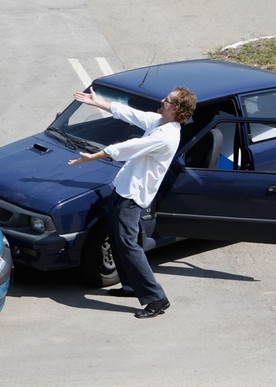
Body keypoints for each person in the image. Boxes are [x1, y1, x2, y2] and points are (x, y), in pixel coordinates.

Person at [68, 86, 196, 319]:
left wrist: (93, 156)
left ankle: (156, 298)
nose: (161, 100)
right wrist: (96, 102)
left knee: (128, 245)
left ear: (176, 108)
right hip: (123, 189)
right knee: (120, 239)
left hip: (132, 197)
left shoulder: (165, 136)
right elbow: (129, 113)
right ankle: (130, 286)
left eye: (166, 100)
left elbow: (129, 147)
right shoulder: (159, 122)